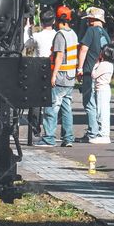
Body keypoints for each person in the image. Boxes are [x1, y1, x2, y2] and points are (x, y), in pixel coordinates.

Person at [40, 9, 78, 147]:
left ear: (56, 20)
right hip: (70, 76)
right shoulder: (73, 34)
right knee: (66, 108)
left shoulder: (60, 35)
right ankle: (68, 138)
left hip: (61, 76)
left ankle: (49, 138)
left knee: (52, 108)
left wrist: (53, 75)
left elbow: (60, 56)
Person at [76, 6, 110, 142]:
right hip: (102, 69)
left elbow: (84, 49)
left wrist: (79, 68)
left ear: (92, 19)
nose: (87, 21)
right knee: (99, 102)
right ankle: (96, 130)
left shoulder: (91, 31)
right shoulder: (105, 34)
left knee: (89, 102)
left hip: (89, 70)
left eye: (89, 19)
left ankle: (92, 132)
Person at [25, 8, 58, 144]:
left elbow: (27, 44)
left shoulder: (38, 36)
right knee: (52, 101)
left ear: (41, 21)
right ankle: (50, 130)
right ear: (54, 21)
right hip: (53, 68)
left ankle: (35, 126)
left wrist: (27, 29)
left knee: (36, 101)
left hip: (38, 69)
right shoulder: (57, 35)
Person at [89, 45, 114, 144]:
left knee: (102, 113)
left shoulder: (104, 64)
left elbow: (94, 75)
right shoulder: (110, 64)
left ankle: (104, 135)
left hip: (102, 89)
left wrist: (96, 64)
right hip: (105, 89)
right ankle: (103, 133)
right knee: (103, 111)